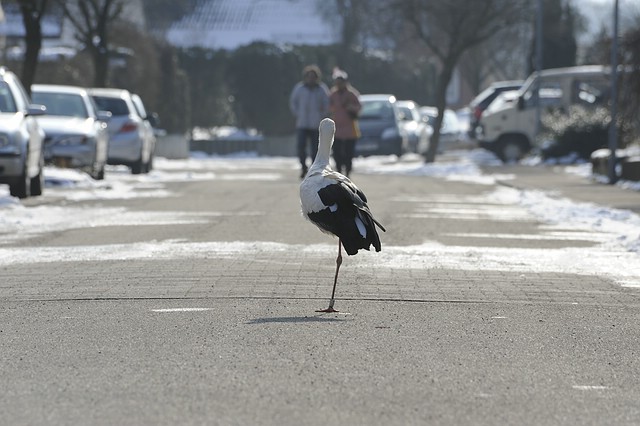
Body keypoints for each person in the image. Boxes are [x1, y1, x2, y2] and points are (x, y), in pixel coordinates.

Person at [289, 65, 330, 178]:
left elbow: (327, 103)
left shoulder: (321, 89)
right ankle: (303, 167)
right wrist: (298, 113)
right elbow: (293, 102)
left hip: (315, 124)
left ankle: (314, 170)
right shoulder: (299, 88)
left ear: (317, 77)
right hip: (302, 123)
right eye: (309, 76)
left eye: (313, 76)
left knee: (315, 149)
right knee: (301, 147)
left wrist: (322, 114)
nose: (311, 79)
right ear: (306, 77)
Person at [329, 68, 361, 177]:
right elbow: (328, 107)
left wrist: (351, 107)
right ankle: (339, 170)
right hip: (336, 128)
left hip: (350, 129)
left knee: (349, 153)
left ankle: (348, 171)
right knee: (337, 152)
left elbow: (359, 107)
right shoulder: (333, 94)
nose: (339, 85)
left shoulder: (352, 94)